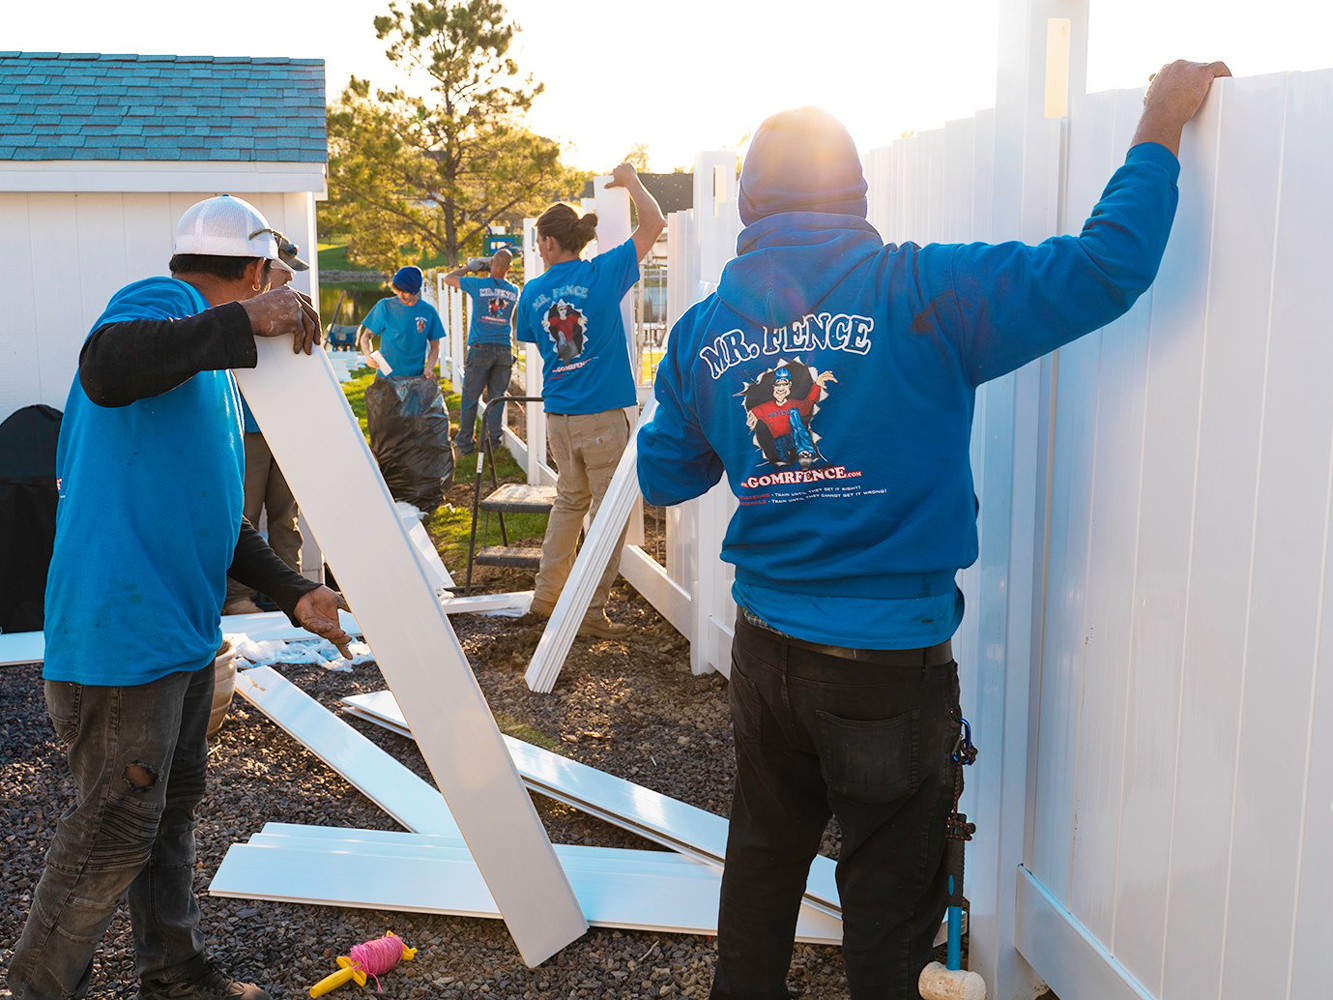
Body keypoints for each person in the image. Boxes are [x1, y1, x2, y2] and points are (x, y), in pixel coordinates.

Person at [637, 60, 1229, 1000]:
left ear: (748, 205)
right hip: (883, 665)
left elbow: (668, 473)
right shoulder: (924, 289)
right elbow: (1105, 266)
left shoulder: (705, 325)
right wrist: (1159, 119)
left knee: (761, 860)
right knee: (888, 900)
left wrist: (711, 393)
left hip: (765, 649)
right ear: (856, 193)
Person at [6, 194, 355, 1000]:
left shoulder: (207, 374)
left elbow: (213, 516)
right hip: (125, 637)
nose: (282, 307)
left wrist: (295, 590)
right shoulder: (161, 305)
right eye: (277, 287)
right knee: (111, 831)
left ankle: (176, 975)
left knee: (164, 819)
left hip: (181, 635)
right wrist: (240, 323)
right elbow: (106, 363)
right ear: (258, 270)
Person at [517, 163, 665, 639]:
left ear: (548, 243)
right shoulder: (603, 272)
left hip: (559, 415)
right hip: (601, 416)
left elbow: (531, 339)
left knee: (569, 505)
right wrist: (633, 182)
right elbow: (654, 225)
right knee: (607, 516)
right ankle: (589, 610)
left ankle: (546, 599)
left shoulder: (533, 291)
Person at [222, 240, 310, 615]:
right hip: (249, 429)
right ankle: (237, 597)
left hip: (286, 428)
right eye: (284, 270)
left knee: (285, 516)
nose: (290, 279)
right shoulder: (240, 311)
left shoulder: (296, 312)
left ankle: (289, 594)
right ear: (261, 269)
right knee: (244, 512)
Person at [444, 247, 519, 456]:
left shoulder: (478, 284)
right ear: (509, 267)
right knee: (496, 398)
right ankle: (492, 442)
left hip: (481, 349)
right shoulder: (514, 290)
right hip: (504, 350)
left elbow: (449, 279)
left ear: (491, 265)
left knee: (470, 398)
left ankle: (465, 443)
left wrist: (469, 267)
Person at [356, 265, 445, 379]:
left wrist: (429, 368)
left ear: (416, 290)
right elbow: (366, 337)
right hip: (386, 377)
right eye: (398, 290)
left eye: (406, 292)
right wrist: (368, 355)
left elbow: (435, 346)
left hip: (415, 377)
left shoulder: (428, 312)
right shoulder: (384, 307)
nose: (401, 295)